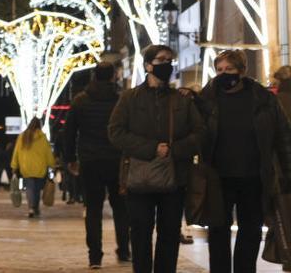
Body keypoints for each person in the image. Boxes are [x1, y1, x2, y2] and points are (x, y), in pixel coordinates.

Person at [108, 44, 204, 273]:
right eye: (161, 60)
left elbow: (200, 134)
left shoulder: (181, 99)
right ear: (148, 65)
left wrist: (176, 150)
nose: (167, 65)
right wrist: (151, 148)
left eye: (170, 60)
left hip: (174, 178)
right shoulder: (130, 99)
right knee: (140, 233)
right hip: (139, 178)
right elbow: (116, 132)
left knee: (169, 234)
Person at [196, 51, 291, 273]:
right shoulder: (206, 100)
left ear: (241, 70)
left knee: (250, 231)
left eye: (229, 69)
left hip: (254, 176)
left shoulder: (264, 99)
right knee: (218, 231)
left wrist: (287, 173)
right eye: (219, 70)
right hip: (218, 177)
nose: (223, 74)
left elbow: (283, 137)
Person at [65, 62, 130, 269]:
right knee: (121, 208)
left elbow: (69, 132)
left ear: (94, 76)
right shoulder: (121, 99)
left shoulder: (80, 100)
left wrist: (70, 159)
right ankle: (124, 250)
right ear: (113, 77)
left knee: (93, 209)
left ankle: (95, 257)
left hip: (90, 160)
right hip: (116, 160)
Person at [11, 118, 56, 218]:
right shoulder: (42, 137)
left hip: (26, 167)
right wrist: (52, 165)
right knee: (37, 189)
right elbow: (48, 153)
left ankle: (31, 208)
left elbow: (16, 152)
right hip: (40, 168)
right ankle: (35, 208)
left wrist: (14, 166)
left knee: (30, 188)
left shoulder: (22, 136)